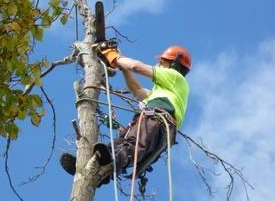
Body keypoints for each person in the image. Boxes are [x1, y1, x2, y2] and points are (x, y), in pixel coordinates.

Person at [60, 45, 191, 184]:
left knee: (132, 147)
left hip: (157, 121)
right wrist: (123, 69)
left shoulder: (176, 78)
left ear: (173, 63)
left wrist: (115, 58)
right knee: (115, 146)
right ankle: (92, 167)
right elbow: (137, 90)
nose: (158, 64)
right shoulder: (162, 91)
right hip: (151, 123)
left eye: (162, 61)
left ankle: (107, 164)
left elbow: (136, 66)